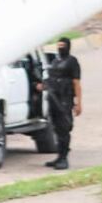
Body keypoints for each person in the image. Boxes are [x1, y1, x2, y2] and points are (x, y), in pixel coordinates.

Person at [38, 37, 82, 170]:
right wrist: (43, 85)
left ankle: (64, 158)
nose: (60, 47)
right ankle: (59, 156)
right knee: (56, 128)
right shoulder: (55, 61)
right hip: (53, 98)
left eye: (63, 45)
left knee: (64, 128)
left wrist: (78, 102)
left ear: (68, 46)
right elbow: (51, 78)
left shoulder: (72, 62)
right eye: (59, 45)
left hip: (65, 100)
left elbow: (76, 83)